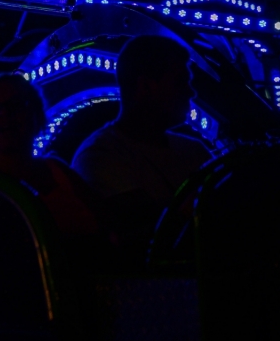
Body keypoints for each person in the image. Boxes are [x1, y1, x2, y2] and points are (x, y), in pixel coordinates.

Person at [71, 35, 213, 263]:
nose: (190, 92)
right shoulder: (98, 156)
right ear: (146, 86)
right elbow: (142, 240)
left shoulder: (194, 150)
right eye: (180, 82)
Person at [0, 73, 102, 238]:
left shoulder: (58, 171)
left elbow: (107, 221)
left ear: (36, 113)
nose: (3, 114)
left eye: (15, 105)